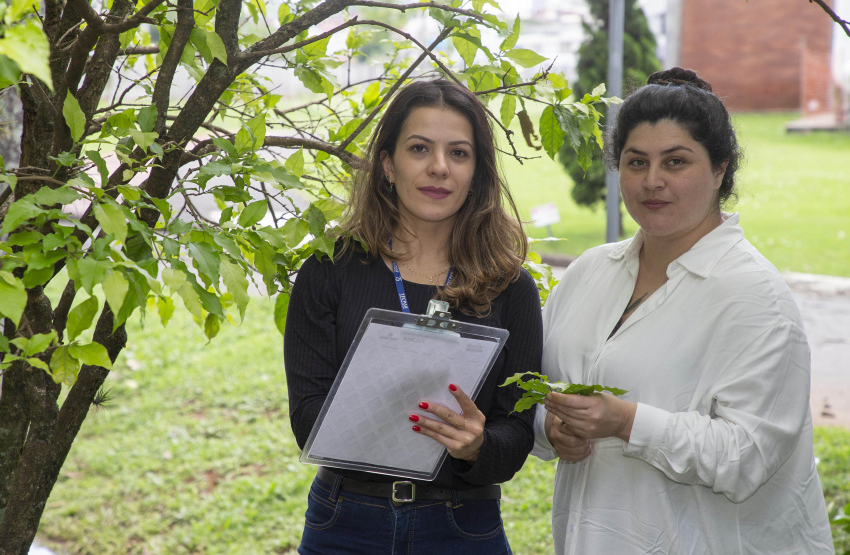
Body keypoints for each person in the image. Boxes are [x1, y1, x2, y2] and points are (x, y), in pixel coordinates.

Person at [530, 67, 834, 554]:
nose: (652, 181)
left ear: (720, 169)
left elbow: (747, 457)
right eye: (636, 162)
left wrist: (627, 421)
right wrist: (549, 427)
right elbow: (535, 390)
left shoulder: (755, 297)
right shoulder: (590, 272)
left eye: (675, 162)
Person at [284, 78, 543, 554]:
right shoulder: (328, 272)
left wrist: (477, 445)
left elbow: (517, 431)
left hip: (463, 525)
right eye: (419, 148)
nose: (439, 168)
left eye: (459, 153)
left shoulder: (511, 288)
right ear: (387, 163)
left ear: (476, 171)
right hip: (345, 523)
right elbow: (307, 419)